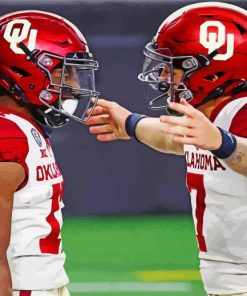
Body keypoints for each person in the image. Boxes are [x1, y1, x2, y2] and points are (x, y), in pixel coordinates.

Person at [87, 2, 247, 296]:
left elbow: (227, 146)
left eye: (172, 67)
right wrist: (130, 123)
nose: (162, 77)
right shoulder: (210, 112)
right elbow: (177, 138)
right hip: (229, 270)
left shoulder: (241, 110)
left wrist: (222, 143)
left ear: (211, 70)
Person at [0, 10, 99, 296]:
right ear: (23, 70)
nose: (74, 86)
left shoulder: (24, 127)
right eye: (64, 71)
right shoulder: (9, 135)